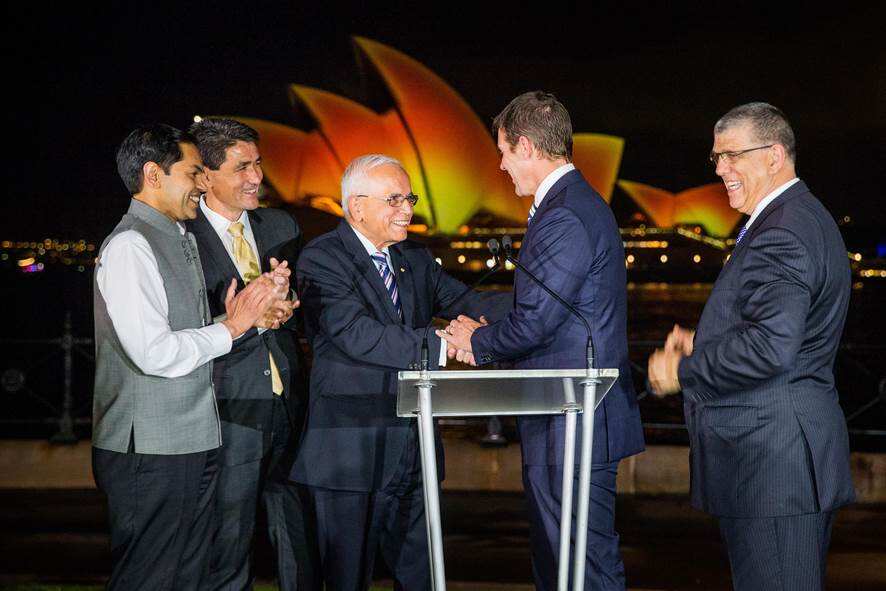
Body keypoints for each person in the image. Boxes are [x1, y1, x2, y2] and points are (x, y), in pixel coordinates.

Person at [439, 91, 645, 591]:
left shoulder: (565, 214)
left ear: (527, 146)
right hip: (566, 410)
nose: (502, 164)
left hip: (575, 414)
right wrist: (471, 321)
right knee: (561, 555)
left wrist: (477, 343)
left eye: (505, 151)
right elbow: (542, 307)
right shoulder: (568, 206)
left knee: (579, 560)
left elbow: (535, 323)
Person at [647, 102, 855, 590]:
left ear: (775, 156)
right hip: (786, 459)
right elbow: (788, 332)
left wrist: (684, 369)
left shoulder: (781, 230)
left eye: (733, 155)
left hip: (773, 467)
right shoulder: (801, 217)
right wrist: (707, 339)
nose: (721, 169)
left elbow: (771, 346)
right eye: (716, 157)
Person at [293, 154, 510, 590]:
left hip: (414, 450)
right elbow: (358, 334)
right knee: (344, 579)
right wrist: (445, 345)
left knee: (422, 577)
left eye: (408, 198)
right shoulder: (322, 259)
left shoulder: (414, 257)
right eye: (394, 200)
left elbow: (470, 303)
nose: (407, 209)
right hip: (350, 453)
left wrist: (539, 314)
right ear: (357, 207)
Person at [92, 124, 281, 590]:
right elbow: (155, 353)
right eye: (193, 172)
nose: (201, 183)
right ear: (154, 175)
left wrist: (244, 316)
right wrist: (232, 327)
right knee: (151, 578)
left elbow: (190, 334)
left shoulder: (174, 235)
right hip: (150, 452)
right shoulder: (130, 246)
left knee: (189, 576)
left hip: (191, 442)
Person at [186, 118, 317, 590]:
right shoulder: (183, 239)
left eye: (258, 164)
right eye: (242, 168)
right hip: (228, 410)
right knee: (230, 539)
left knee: (299, 538)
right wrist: (244, 319)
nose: (256, 178)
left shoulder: (281, 226)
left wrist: (286, 306)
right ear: (205, 176)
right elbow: (184, 330)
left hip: (289, 406)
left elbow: (300, 305)